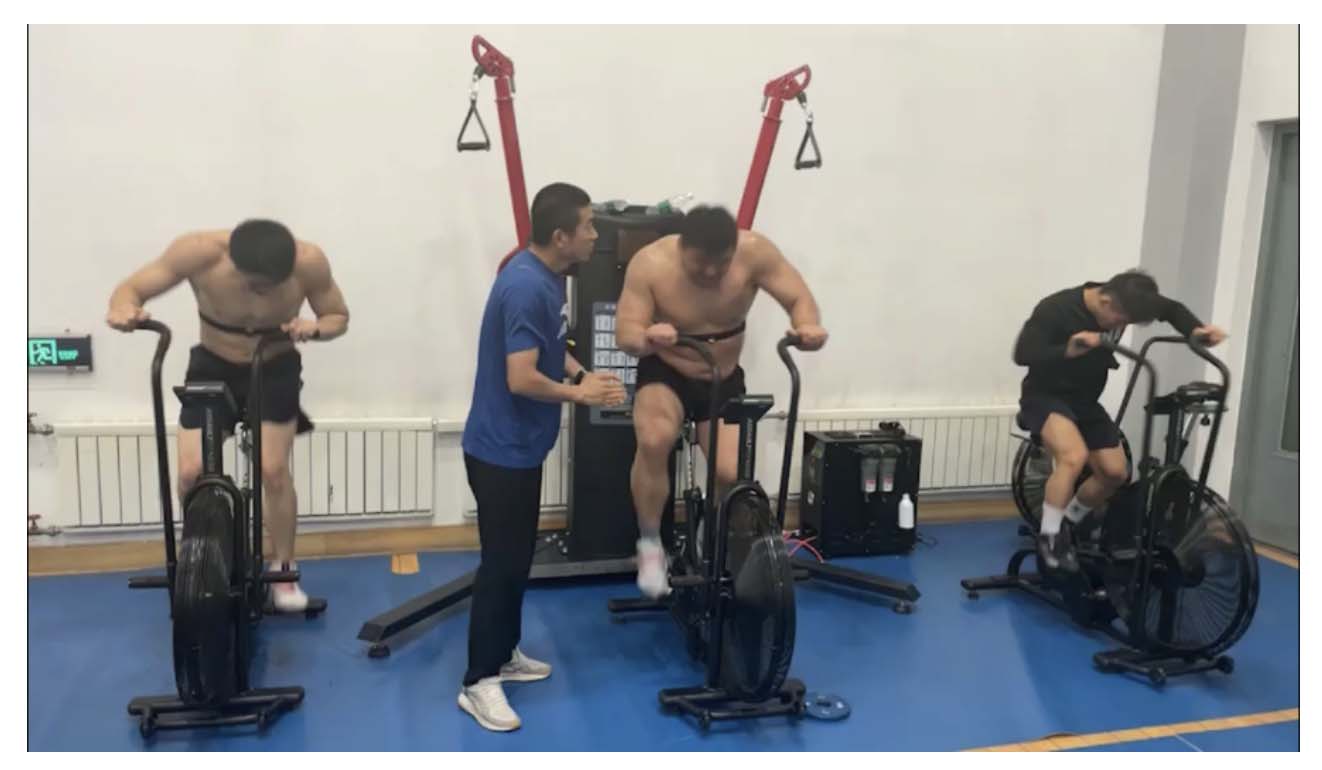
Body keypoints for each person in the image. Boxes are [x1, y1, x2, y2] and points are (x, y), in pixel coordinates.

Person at [105, 220, 350, 612]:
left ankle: (284, 572)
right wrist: (123, 308)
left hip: (274, 366)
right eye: (256, 284)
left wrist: (315, 328)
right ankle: (201, 557)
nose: (264, 293)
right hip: (213, 364)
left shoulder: (309, 261)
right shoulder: (198, 251)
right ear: (235, 264)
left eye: (273, 285)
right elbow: (131, 288)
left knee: (273, 470)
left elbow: (337, 316)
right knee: (190, 473)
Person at [458, 182, 627, 732]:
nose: (594, 235)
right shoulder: (526, 286)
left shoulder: (550, 277)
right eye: (588, 226)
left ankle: (504, 653)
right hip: (500, 451)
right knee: (500, 565)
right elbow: (521, 377)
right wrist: (580, 395)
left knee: (517, 560)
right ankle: (478, 681)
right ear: (561, 236)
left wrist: (581, 372)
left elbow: (553, 347)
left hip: (522, 447)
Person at [614, 204, 828, 599]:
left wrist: (807, 325)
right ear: (682, 247)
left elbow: (799, 298)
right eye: (700, 265)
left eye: (721, 264)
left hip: (722, 375)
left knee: (732, 475)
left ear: (734, 249)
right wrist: (647, 337)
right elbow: (625, 333)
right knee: (655, 439)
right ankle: (650, 544)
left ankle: (707, 536)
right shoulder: (651, 263)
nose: (712, 273)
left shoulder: (756, 252)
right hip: (667, 370)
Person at [1011, 269, 1227, 572]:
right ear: (1105, 301)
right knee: (1074, 457)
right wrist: (1067, 350)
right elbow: (1023, 354)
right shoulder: (1055, 308)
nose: (1120, 326)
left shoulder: (1131, 298)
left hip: (1085, 401)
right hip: (1044, 396)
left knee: (1115, 473)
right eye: (1120, 319)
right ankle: (1049, 538)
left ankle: (1067, 523)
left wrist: (1196, 331)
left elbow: (1170, 309)